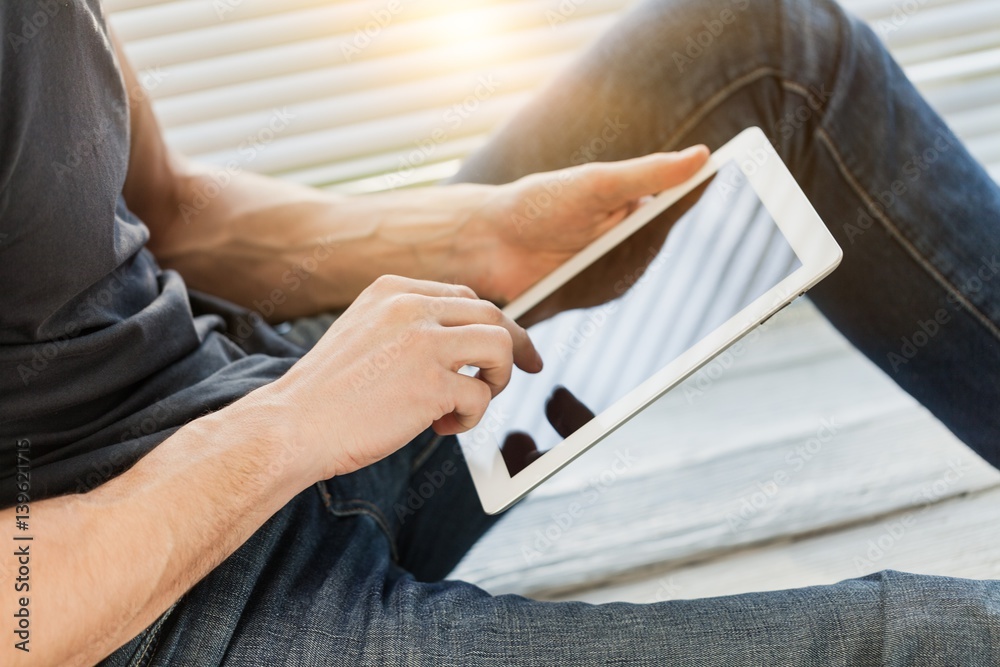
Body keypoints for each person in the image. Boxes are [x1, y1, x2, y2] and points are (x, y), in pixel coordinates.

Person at [1, 0, 998, 664]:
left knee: (771, 47)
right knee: (938, 638)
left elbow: (170, 215)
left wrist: (479, 237)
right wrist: (285, 430)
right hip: (136, 620)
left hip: (254, 390)